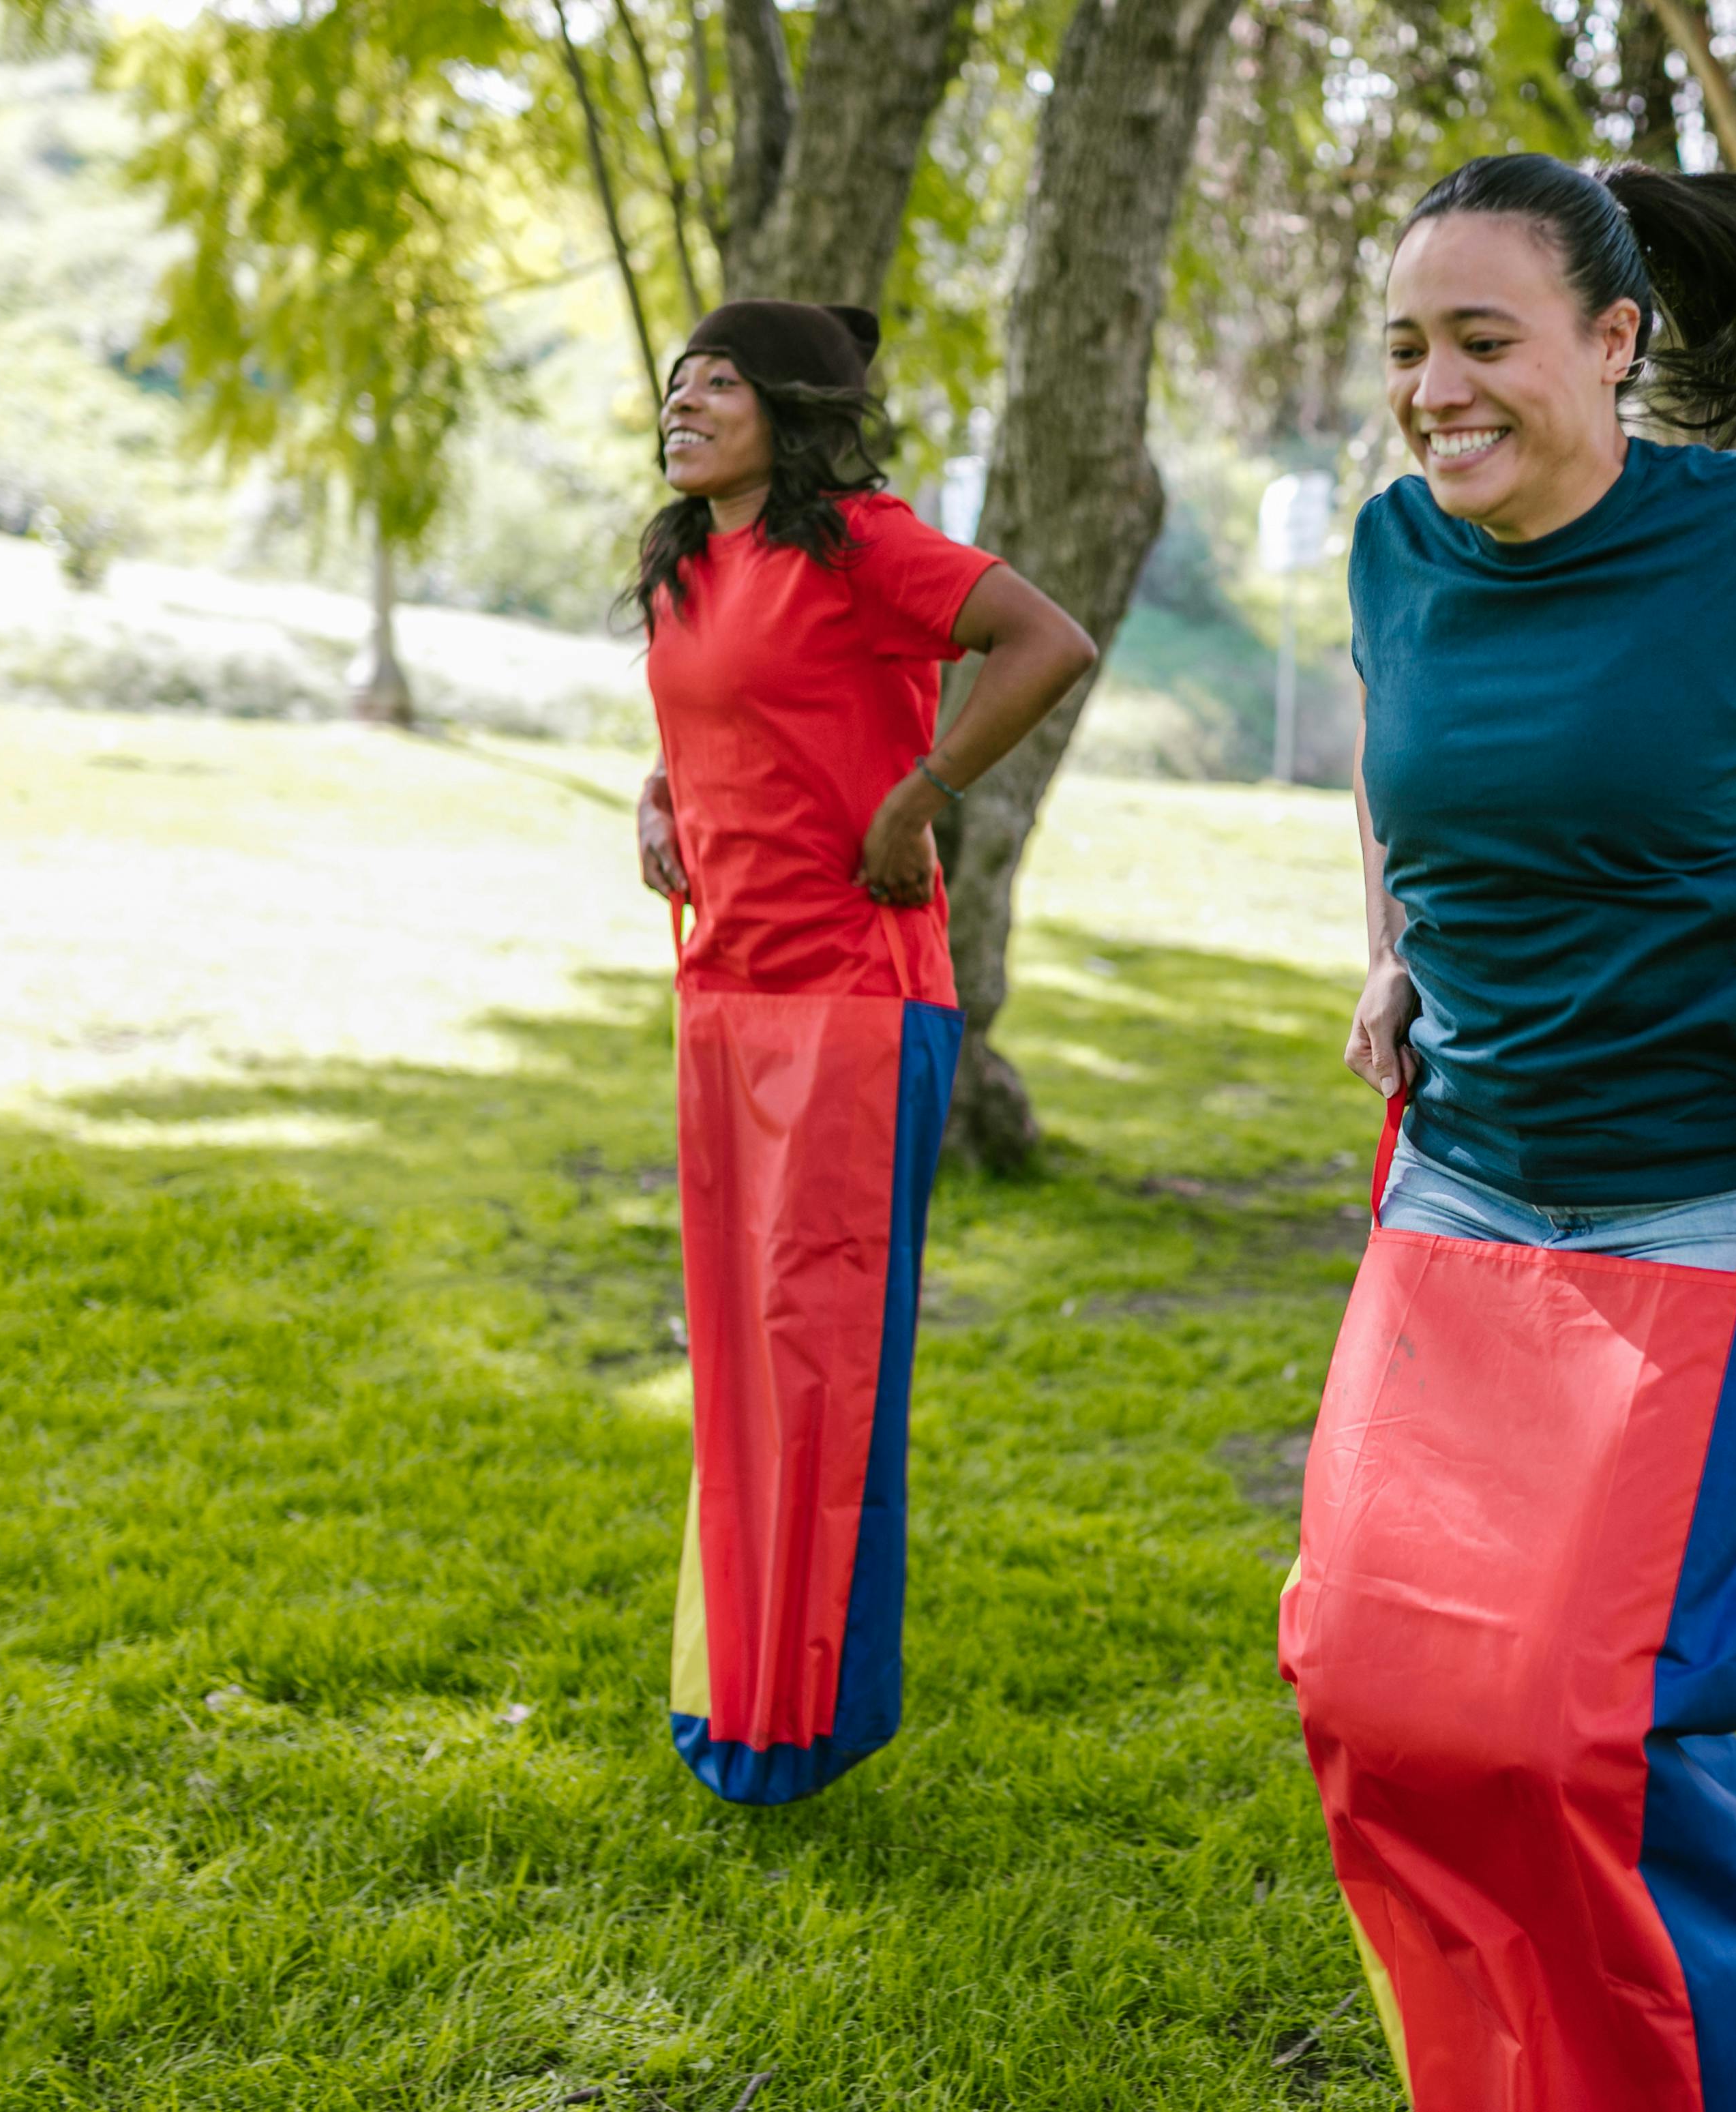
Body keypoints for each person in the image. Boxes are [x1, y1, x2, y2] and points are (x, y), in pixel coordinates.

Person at [1279, 154, 1736, 2110]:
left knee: (1590, 1722)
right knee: (1371, 1686)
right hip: (1460, 1178)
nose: (1434, 388)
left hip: (1715, 1201)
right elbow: (1389, 753)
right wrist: (1391, 949)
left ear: (1613, 347)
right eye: (1404, 351)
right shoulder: (1391, 547)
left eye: (1480, 342)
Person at [627, 299, 1094, 1804]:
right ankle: (738, 1696)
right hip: (724, 990)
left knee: (814, 1357)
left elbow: (1046, 641)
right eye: (676, 383)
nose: (684, 403)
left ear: (792, 411)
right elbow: (726, 716)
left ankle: (801, 1721)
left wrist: (922, 792)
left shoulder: (865, 544)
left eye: (718, 384)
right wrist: (658, 798)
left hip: (852, 997)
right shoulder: (689, 559)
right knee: (738, 1357)